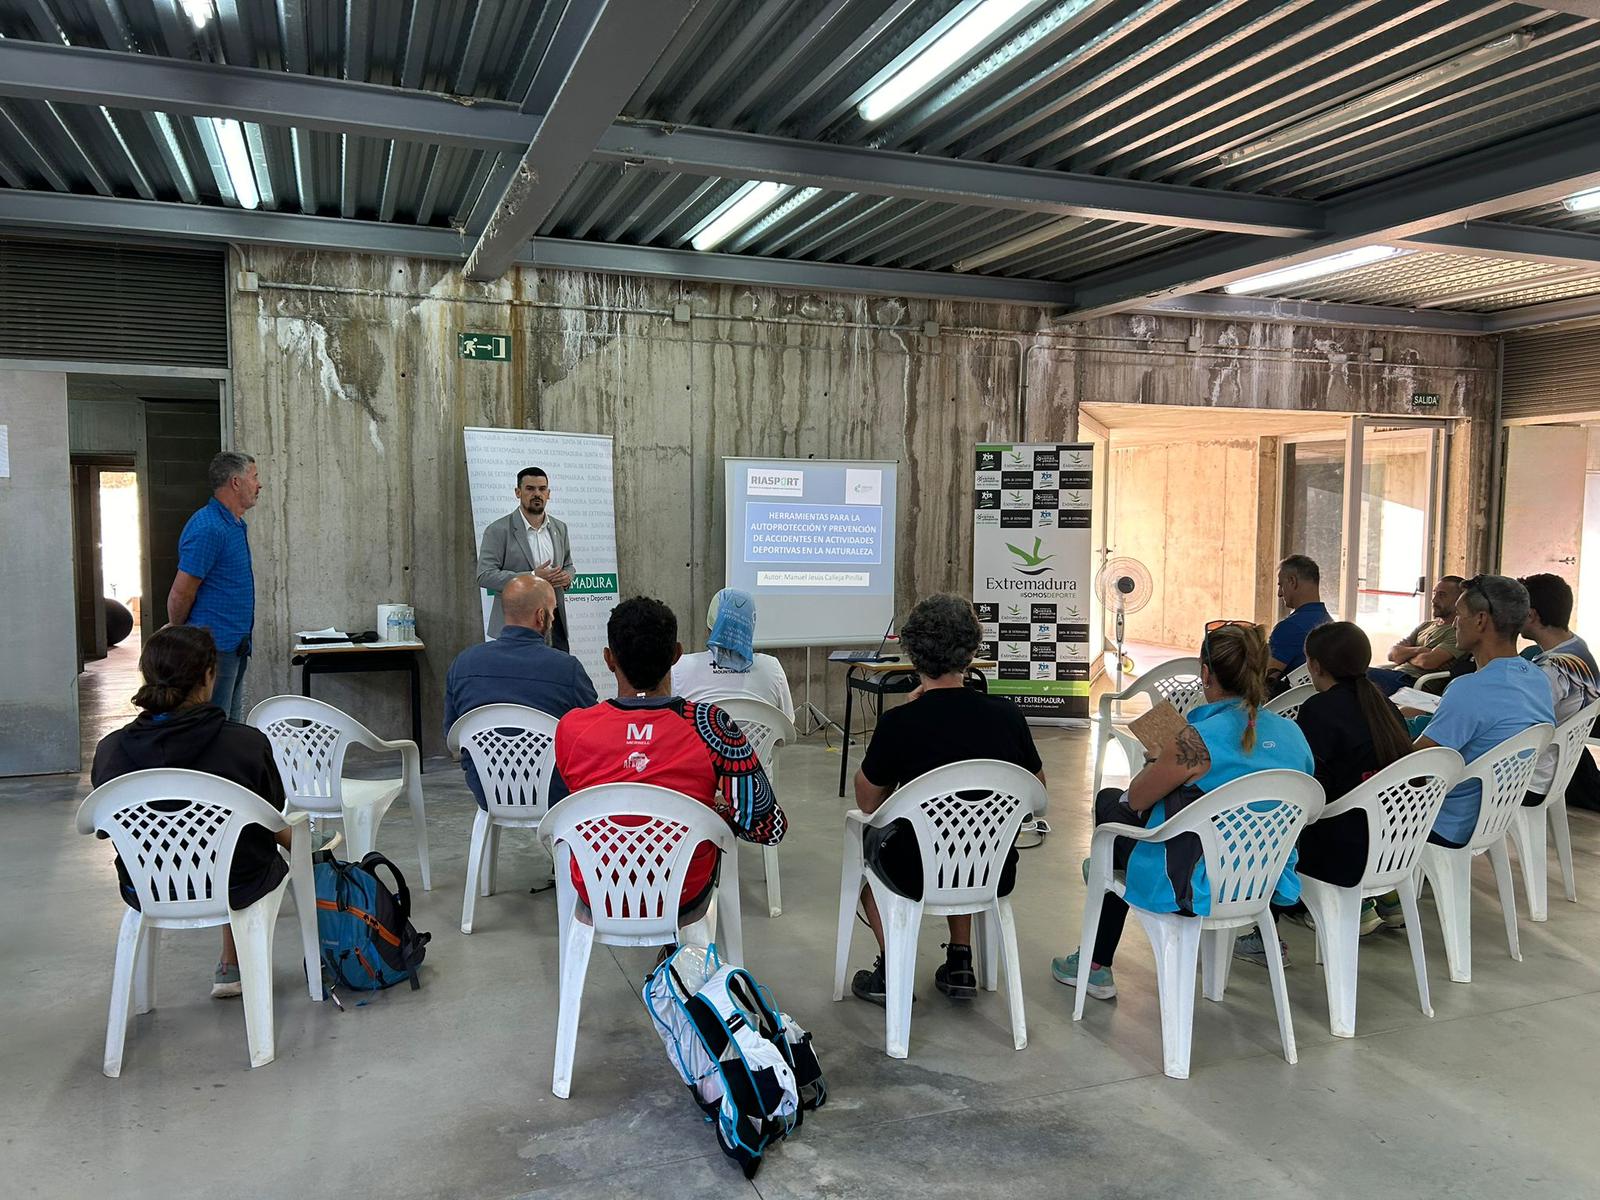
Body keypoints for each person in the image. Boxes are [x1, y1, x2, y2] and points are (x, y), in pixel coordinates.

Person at [1053, 621, 1314, 998]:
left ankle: (1096, 961)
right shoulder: (1293, 734)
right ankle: (1105, 874)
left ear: (1205, 674)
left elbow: (1135, 801)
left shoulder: (1194, 740)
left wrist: (1159, 762)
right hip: (1262, 876)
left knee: (1110, 804)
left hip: (1192, 879)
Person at [847, 594, 1045, 1006]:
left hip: (915, 869)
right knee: (966, 837)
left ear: (912, 654)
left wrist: (904, 720)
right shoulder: (1007, 716)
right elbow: (1037, 795)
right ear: (972, 650)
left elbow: (867, 800)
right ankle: (960, 960)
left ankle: (893, 970)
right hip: (991, 869)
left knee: (869, 866)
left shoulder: (901, 723)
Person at [90, 625, 292, 999]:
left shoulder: (110, 750)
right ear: (209, 676)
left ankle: (225, 966)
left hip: (146, 886)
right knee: (241, 842)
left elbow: (105, 831)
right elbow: (272, 811)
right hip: (238, 881)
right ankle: (233, 963)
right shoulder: (245, 744)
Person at [554, 596, 785, 920]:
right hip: (683, 892)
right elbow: (767, 826)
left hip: (598, 888)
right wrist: (714, 811)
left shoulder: (572, 728)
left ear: (608, 659)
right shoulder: (712, 727)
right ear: (676, 655)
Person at [1281, 622, 1415, 934]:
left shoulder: (1319, 709)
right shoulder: (1384, 705)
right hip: (1394, 842)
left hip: (1343, 851)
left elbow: (1309, 781)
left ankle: (1353, 905)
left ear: (1314, 665)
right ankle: (1387, 897)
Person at [1414, 575, 1554, 846]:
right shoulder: (1537, 679)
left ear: (1480, 620)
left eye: (1460, 614)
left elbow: (1415, 766)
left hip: (1441, 822)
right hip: (1493, 817)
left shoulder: (1468, 689)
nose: (1454, 622)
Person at [443, 576, 598, 810]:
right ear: (541, 616)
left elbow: (452, 737)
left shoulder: (462, 664)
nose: (554, 618)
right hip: (553, 792)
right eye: (553, 611)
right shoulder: (567, 669)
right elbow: (593, 734)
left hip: (487, 791)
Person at [166, 451, 260, 721]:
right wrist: (179, 629)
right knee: (212, 723)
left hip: (236, 643)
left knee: (230, 722)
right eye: (254, 477)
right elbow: (181, 591)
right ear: (235, 482)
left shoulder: (233, 524)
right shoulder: (208, 527)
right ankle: (210, 766)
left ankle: (226, 765)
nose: (259, 485)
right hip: (213, 647)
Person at [1518, 573, 1600, 807]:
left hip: (1532, 779)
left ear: (1531, 615)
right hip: (1560, 768)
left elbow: (1514, 727)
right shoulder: (1576, 646)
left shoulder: (1552, 670)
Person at [477, 466, 575, 649]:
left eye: (542, 489)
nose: (537, 494)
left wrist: (568, 576)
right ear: (518, 492)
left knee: (555, 674)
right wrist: (531, 576)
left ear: (548, 493)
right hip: (516, 624)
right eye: (530, 489)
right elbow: (485, 575)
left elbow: (569, 564)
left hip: (554, 620)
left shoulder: (560, 528)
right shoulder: (498, 530)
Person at [671, 588, 795, 723]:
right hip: (757, 744)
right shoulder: (772, 668)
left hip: (700, 744)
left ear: (710, 626)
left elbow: (671, 724)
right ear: (750, 625)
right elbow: (787, 727)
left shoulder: (681, 667)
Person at [1368, 576, 1469, 697]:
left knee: (1356, 677)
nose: (1434, 600)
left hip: (1412, 683)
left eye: (1441, 595)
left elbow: (1427, 661)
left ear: (1459, 600)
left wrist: (1405, 655)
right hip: (1395, 674)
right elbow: (1392, 654)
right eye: (1434, 594)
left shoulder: (1458, 631)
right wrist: (1419, 650)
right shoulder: (1426, 625)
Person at [1266, 555, 1332, 690]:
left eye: (1280, 585)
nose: (1279, 593)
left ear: (1292, 581)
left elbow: (1266, 681)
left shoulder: (1289, 628)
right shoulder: (1330, 625)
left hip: (1283, 709)